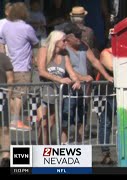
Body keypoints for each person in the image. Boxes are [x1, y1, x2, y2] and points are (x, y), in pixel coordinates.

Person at [61, 23, 112, 144]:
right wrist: (83, 77)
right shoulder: (64, 49)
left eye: (80, 35)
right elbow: (68, 70)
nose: (80, 39)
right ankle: (63, 146)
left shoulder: (84, 45)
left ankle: (80, 145)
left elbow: (95, 61)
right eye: (76, 36)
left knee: (81, 119)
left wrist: (107, 76)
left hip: (84, 90)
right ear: (68, 37)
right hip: (69, 89)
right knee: (66, 119)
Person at [36, 30, 81, 145]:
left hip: (55, 94)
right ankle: (41, 151)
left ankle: (46, 149)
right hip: (42, 92)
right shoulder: (44, 50)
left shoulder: (65, 54)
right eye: (63, 40)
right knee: (43, 124)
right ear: (56, 41)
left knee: (50, 123)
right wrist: (60, 79)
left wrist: (76, 80)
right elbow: (41, 71)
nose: (66, 42)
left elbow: (71, 72)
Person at [0, 2, 39, 131]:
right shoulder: (26, 28)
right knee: (20, 95)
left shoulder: (6, 27)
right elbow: (36, 42)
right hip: (22, 66)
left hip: (9, 66)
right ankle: (15, 121)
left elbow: (2, 44)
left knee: (10, 94)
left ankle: (12, 119)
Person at [96, 28, 115, 165]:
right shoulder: (105, 53)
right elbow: (113, 67)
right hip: (105, 92)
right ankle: (105, 152)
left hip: (118, 92)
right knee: (106, 122)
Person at [0, 52, 13, 167]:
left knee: (4, 128)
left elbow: (10, 78)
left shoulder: (3, 58)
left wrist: (8, 95)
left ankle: (6, 156)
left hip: (2, 97)